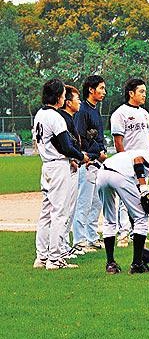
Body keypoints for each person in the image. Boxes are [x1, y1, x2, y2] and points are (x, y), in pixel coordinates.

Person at [33, 79, 88, 270]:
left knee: (46, 213)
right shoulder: (55, 117)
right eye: (63, 95)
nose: (64, 98)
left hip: (47, 166)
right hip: (58, 167)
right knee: (59, 213)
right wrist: (81, 156)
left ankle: (41, 256)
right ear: (58, 97)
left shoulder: (40, 114)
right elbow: (65, 146)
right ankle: (55, 259)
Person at [110, 78, 149, 248]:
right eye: (141, 91)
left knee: (142, 197)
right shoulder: (120, 113)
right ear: (131, 93)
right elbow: (118, 141)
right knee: (125, 200)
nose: (144, 95)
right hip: (128, 163)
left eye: (145, 92)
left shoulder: (144, 113)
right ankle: (123, 234)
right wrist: (123, 162)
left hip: (143, 164)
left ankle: (137, 233)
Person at [96, 150, 149, 274]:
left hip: (102, 175)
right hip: (119, 176)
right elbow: (138, 160)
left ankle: (110, 264)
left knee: (109, 219)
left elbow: (132, 203)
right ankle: (137, 265)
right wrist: (144, 188)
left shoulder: (128, 160)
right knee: (141, 218)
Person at [72, 75, 108, 252]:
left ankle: (92, 237)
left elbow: (96, 136)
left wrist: (101, 151)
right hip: (86, 161)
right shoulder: (83, 110)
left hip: (96, 162)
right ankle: (79, 241)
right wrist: (96, 152)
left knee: (96, 202)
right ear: (91, 90)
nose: (104, 92)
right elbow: (79, 137)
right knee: (83, 203)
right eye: (101, 88)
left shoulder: (94, 109)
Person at [58, 85, 85, 260]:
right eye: (77, 99)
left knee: (70, 208)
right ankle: (60, 247)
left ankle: (64, 245)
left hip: (72, 164)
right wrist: (74, 158)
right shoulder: (63, 119)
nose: (79, 102)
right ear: (68, 102)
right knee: (65, 209)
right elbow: (64, 145)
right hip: (67, 166)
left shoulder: (69, 118)